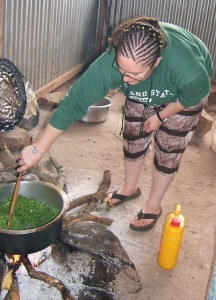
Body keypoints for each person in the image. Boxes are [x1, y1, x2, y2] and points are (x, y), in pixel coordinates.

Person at [17, 16, 214, 231]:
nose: (125, 80)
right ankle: (129, 188)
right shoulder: (111, 63)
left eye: (134, 74)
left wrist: (160, 116)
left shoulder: (186, 69)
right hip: (147, 87)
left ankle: (153, 205)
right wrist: (38, 149)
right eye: (122, 71)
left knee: (169, 150)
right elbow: (73, 103)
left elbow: (193, 95)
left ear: (156, 62)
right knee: (133, 136)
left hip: (182, 96)